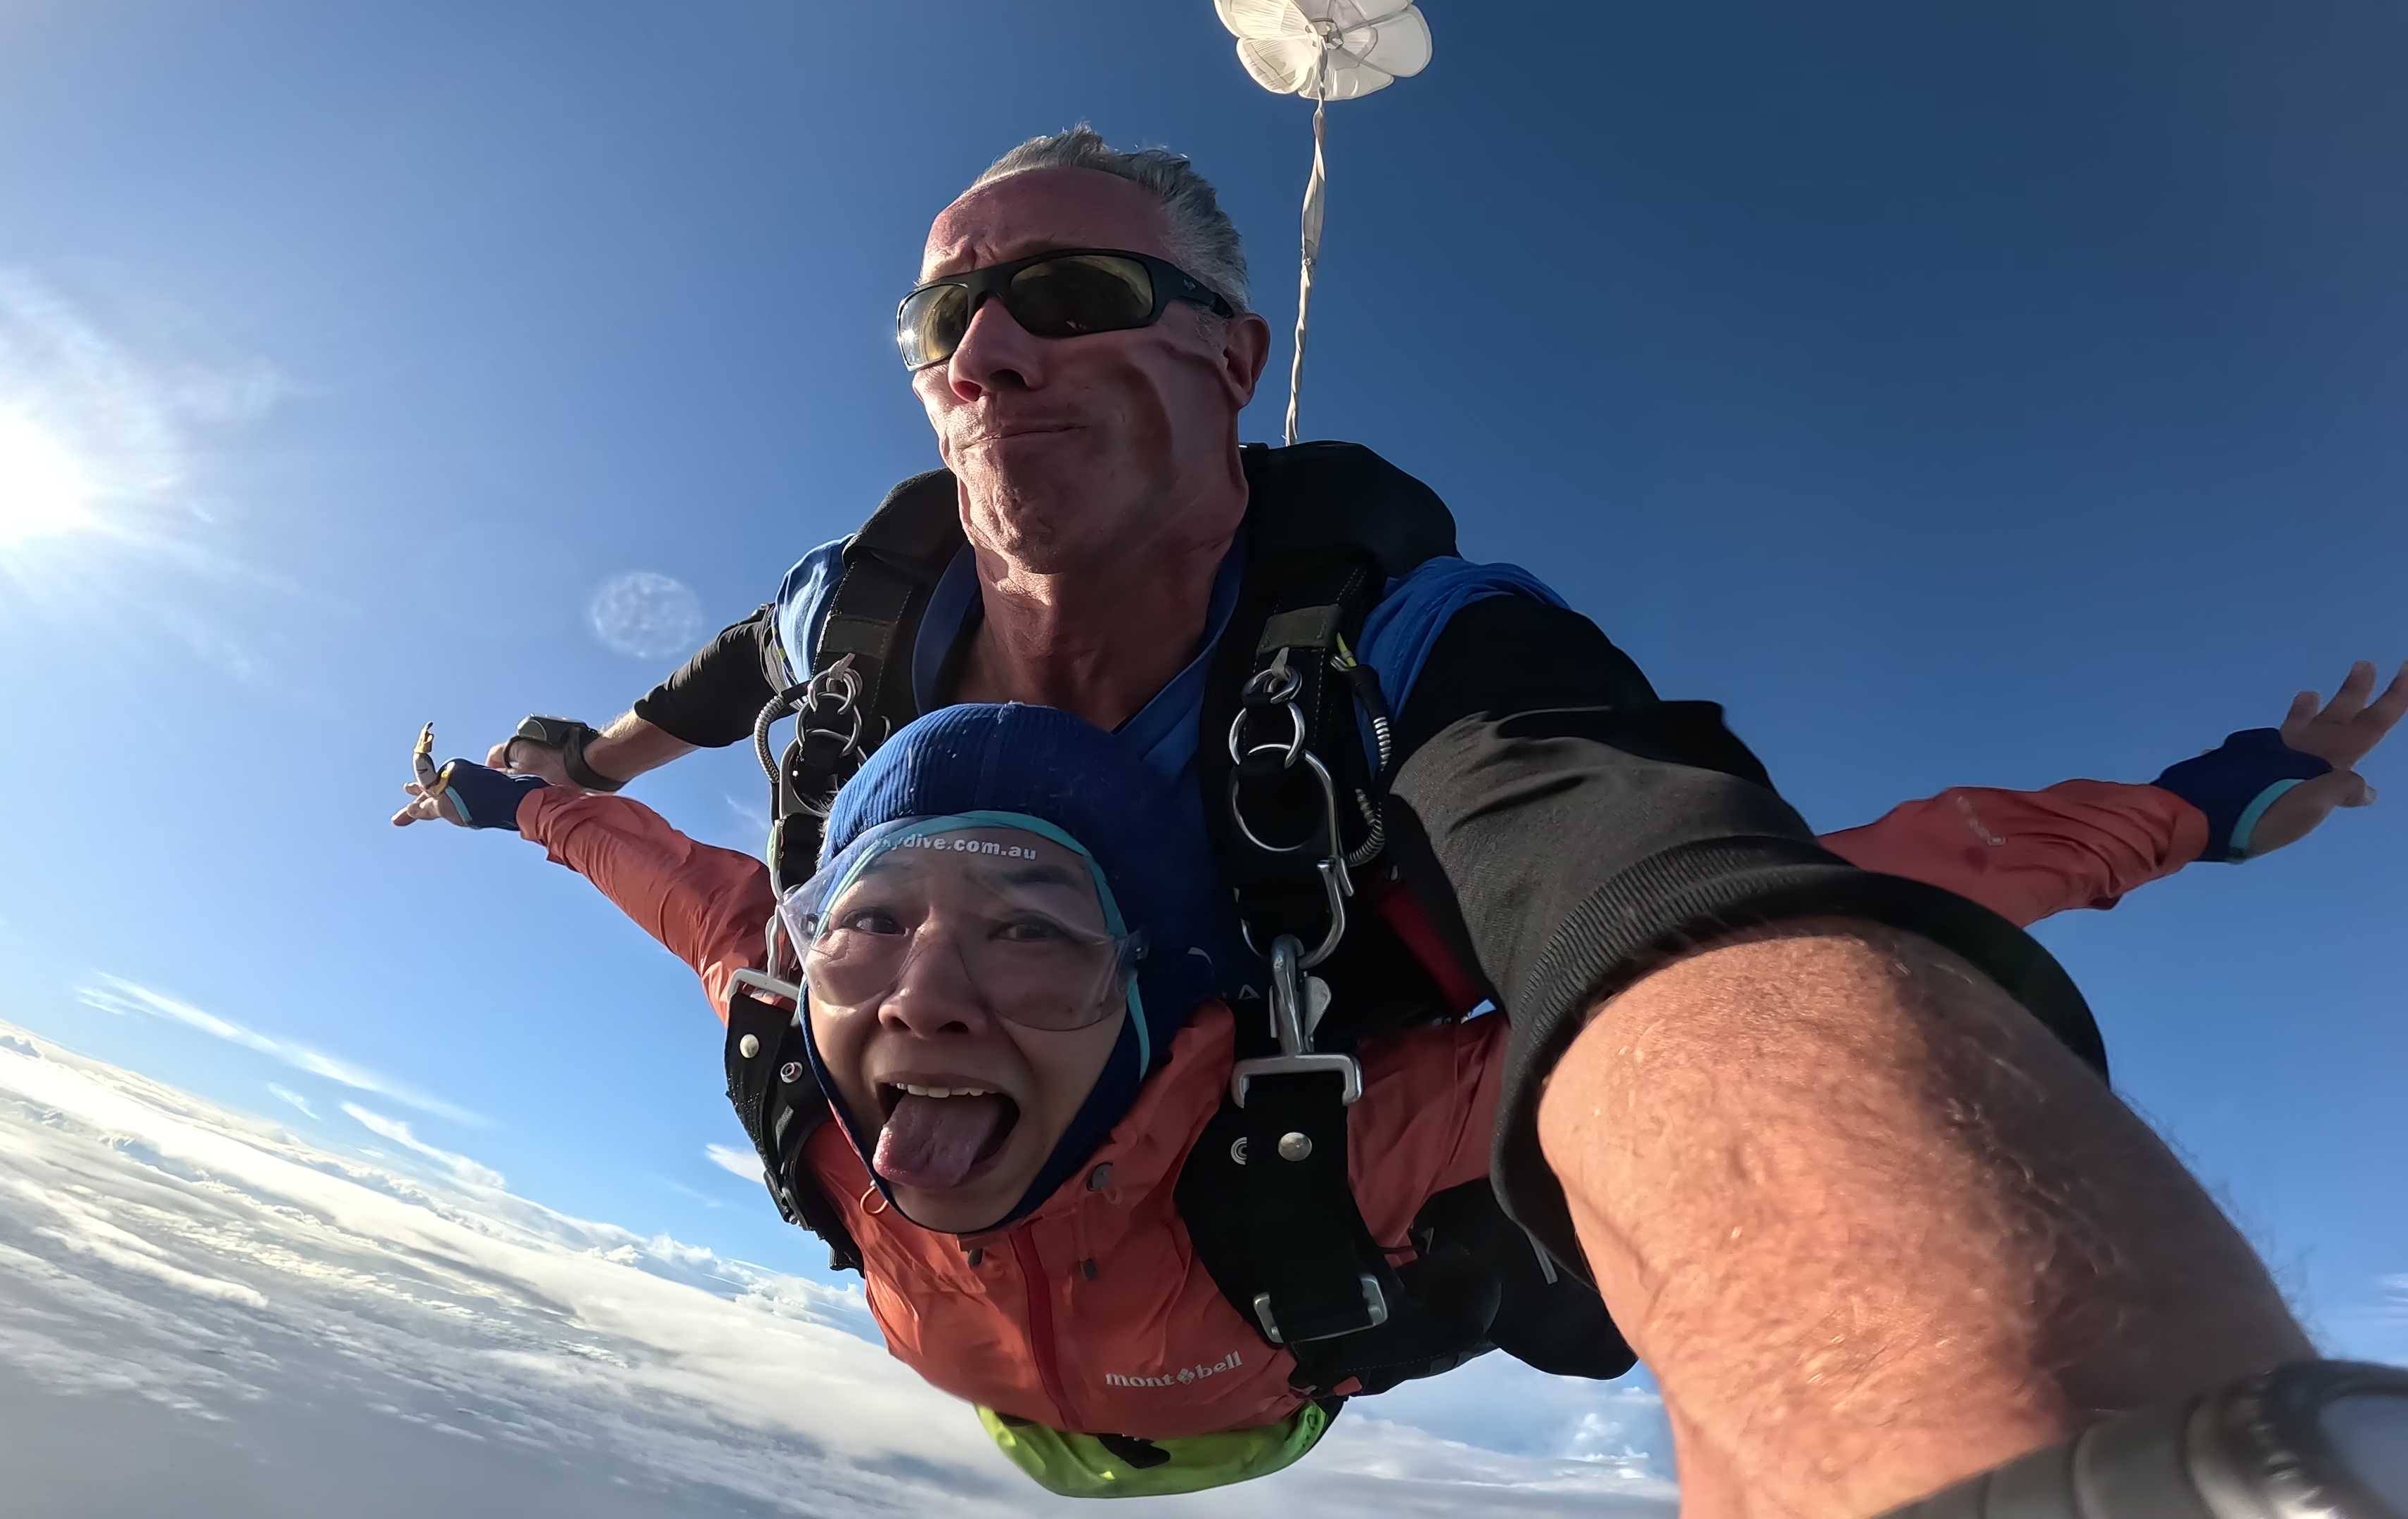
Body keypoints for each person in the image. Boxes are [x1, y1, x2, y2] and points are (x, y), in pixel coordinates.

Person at [406, 126, 2398, 1515]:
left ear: (1231, 351)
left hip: (1247, 1346)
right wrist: (548, 779)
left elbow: (1688, 899)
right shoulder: (860, 619)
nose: (988, 351)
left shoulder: (1398, 657)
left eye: (1069, 294)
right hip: (983, 1326)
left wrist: (2037, 1435)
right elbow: (713, 752)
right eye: (946, 329)